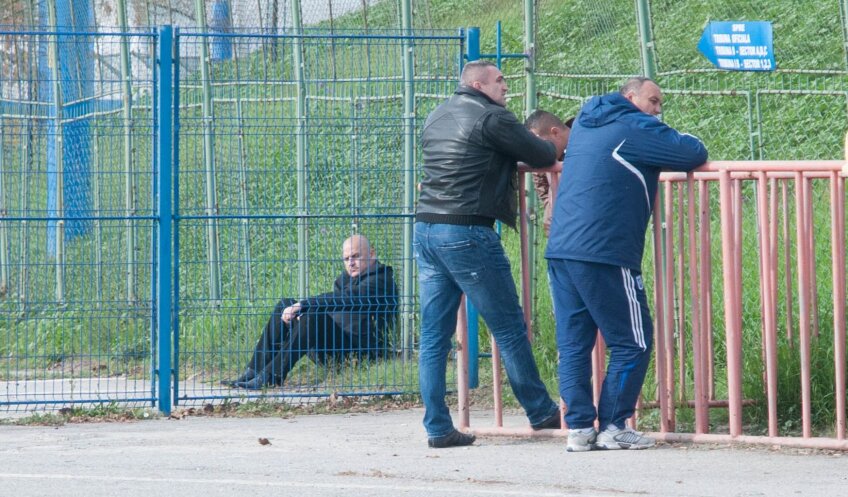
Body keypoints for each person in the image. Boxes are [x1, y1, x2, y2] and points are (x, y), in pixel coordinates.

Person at [546, 77, 708, 451]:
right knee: (633, 340)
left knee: (573, 344)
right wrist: (658, 127)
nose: (657, 108)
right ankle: (614, 426)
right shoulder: (633, 126)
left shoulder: (586, 121)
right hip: (604, 250)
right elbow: (692, 152)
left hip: (563, 250)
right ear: (630, 97)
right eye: (653, 100)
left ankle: (580, 429)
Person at [414, 60, 562, 449]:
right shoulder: (493, 117)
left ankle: (437, 427)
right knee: (509, 326)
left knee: (433, 335)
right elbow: (542, 152)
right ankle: (541, 410)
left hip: (426, 228)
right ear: (478, 85)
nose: (506, 86)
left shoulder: (437, 114)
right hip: (466, 230)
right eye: (499, 81)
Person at [225, 235, 398, 389]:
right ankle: (254, 370)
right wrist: (298, 309)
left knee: (314, 313)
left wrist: (304, 305)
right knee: (284, 305)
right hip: (331, 344)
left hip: (358, 352)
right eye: (346, 259)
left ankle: (272, 376)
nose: (350, 263)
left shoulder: (381, 281)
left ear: (372, 254)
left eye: (355, 256)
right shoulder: (347, 279)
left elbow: (345, 299)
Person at [524, 112, 573, 237]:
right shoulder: (547, 156)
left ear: (555, 132)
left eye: (539, 143)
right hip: (558, 232)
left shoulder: (587, 145)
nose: (537, 149)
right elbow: (541, 182)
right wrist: (550, 209)